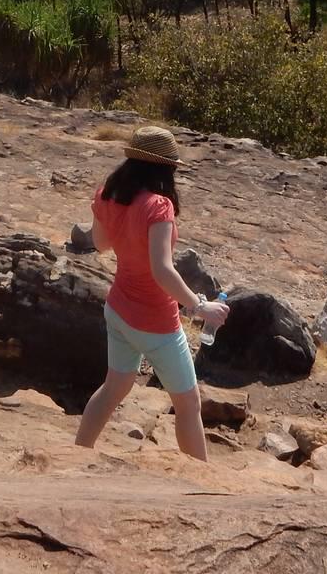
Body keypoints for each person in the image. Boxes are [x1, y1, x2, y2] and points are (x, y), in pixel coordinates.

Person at [73, 125, 230, 460]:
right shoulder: (159, 206)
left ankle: (78, 454)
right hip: (156, 323)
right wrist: (200, 307)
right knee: (188, 404)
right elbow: (162, 270)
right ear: (166, 168)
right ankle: (201, 481)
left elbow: (100, 244)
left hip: (118, 310)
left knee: (114, 387)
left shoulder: (108, 194)